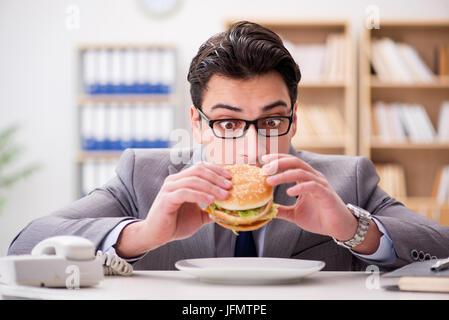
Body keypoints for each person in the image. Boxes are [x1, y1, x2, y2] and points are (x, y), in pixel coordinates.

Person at [8, 21, 449, 271]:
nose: (253, 144)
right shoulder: (143, 175)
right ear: (197, 124)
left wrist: (355, 229)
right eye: (228, 122)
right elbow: (25, 243)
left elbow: (442, 249)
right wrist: (141, 235)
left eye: (272, 120)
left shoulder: (345, 180)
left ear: (294, 121)